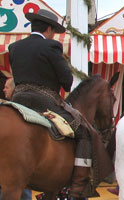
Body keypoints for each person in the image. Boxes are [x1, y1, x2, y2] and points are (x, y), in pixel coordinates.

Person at [8, 9, 100, 198]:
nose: (53, 35)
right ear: (48, 29)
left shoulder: (15, 47)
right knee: (82, 129)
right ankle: (78, 185)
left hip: (17, 100)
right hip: (44, 101)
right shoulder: (51, 46)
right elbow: (66, 81)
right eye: (53, 31)